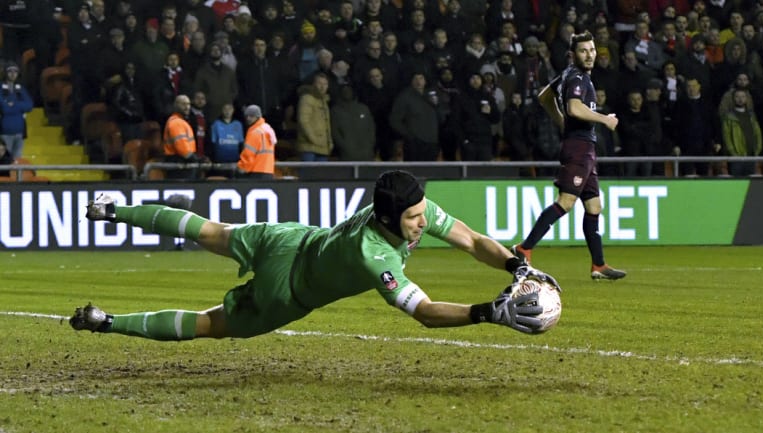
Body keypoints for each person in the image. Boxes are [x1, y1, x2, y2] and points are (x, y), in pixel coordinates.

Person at [69, 170, 559, 340]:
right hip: (289, 291)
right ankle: (108, 322)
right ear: (387, 220)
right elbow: (427, 314)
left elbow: (473, 241)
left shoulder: (407, 208)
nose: (423, 222)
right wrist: (485, 314)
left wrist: (516, 264)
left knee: (210, 231)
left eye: (421, 212)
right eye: (412, 219)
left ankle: (113, 210)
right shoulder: (375, 258)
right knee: (210, 325)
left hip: (289, 239)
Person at [512, 31, 627, 281]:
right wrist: (604, 119)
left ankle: (599, 265)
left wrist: (560, 121)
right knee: (565, 202)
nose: (589, 55)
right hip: (578, 147)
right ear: (573, 55)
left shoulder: (568, 75)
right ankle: (524, 248)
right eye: (584, 51)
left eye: (592, 50)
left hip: (583, 146)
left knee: (594, 206)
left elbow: (545, 97)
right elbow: (575, 107)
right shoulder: (577, 77)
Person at [721, 88, 763, 176]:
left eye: (743, 96)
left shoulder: (751, 116)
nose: (740, 99)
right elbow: (726, 137)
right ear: (733, 99)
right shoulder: (729, 117)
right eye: (737, 96)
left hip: (751, 155)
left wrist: (757, 149)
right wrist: (733, 153)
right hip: (736, 158)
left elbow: (758, 133)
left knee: (751, 183)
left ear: (746, 99)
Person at [0, 63, 34, 160]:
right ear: (5, 73)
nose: (13, 74)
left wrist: (13, 104)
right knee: (5, 161)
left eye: (15, 71)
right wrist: (19, 106)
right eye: (10, 71)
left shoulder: (20, 89)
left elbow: (29, 106)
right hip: (4, 132)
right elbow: (4, 109)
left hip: (19, 132)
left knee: (17, 162)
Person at [237, 105, 277, 179]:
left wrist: (241, 168)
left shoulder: (254, 133)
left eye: (251, 116)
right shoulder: (268, 130)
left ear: (257, 117)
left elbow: (248, 155)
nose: (248, 118)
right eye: (247, 116)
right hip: (269, 171)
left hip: (256, 172)